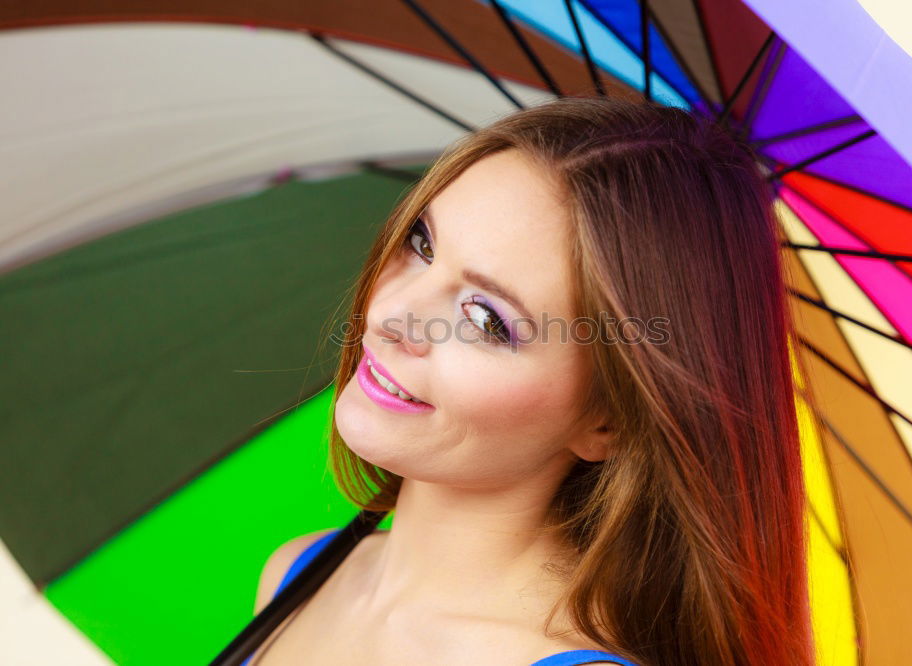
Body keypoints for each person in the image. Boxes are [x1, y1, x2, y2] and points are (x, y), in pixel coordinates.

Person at [248, 96, 815, 665]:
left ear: (610, 420)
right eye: (422, 244)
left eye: (486, 318)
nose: (394, 316)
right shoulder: (296, 575)